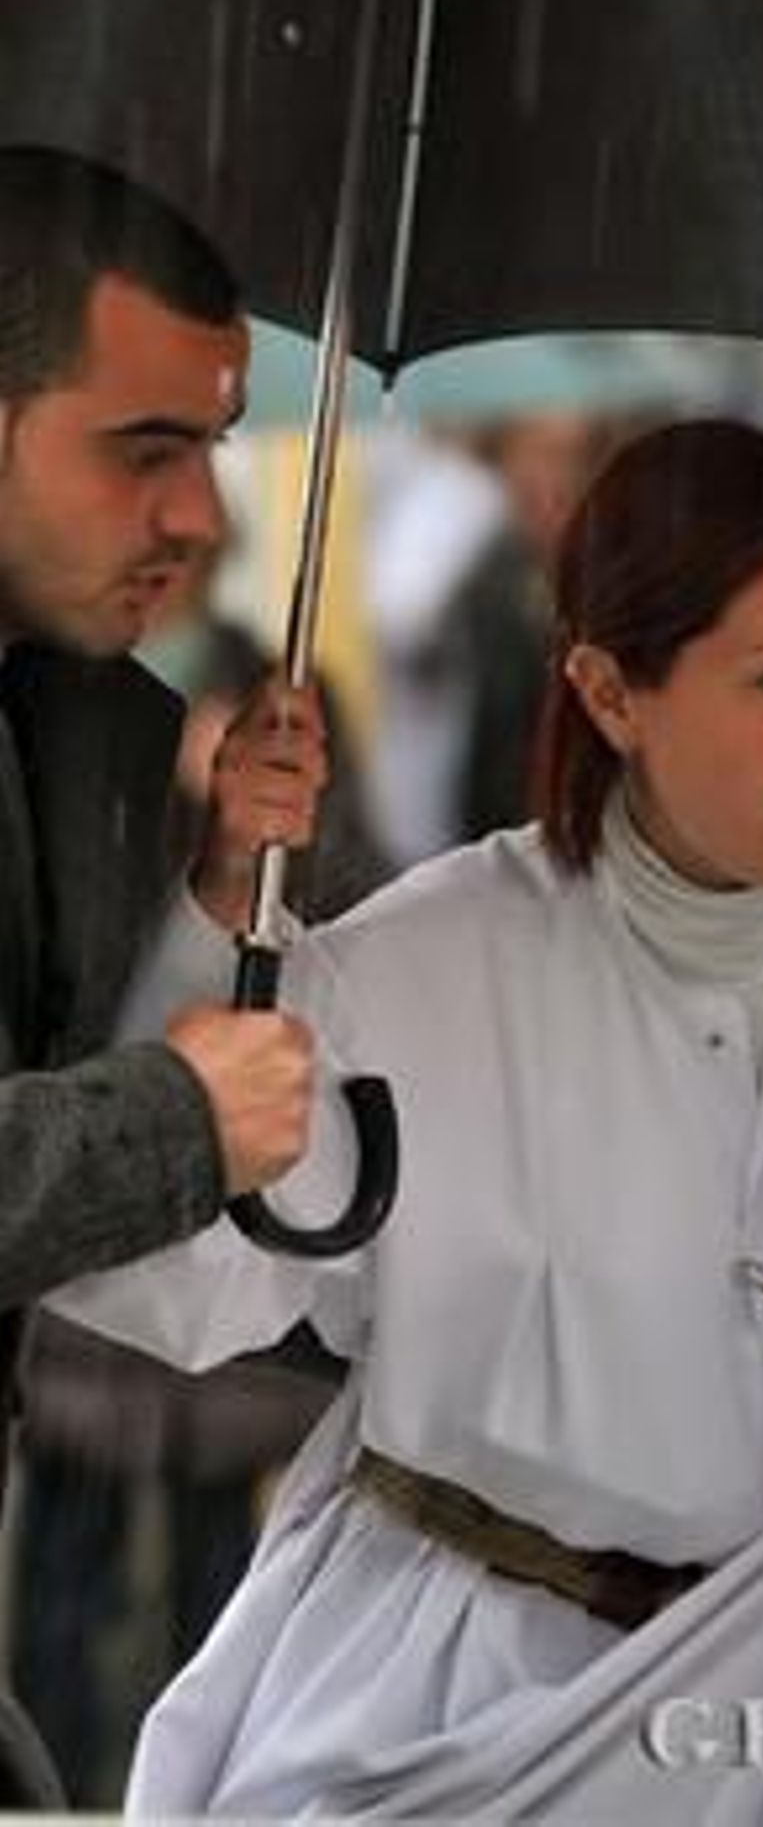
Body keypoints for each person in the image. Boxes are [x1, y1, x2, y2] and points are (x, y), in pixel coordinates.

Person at [50, 417, 763, 1816]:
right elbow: (162, 1289)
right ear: (611, 691)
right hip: (452, 1713)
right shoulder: (425, 966)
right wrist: (223, 915)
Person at [0, 145, 318, 1808]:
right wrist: (176, 1118)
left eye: (209, 448)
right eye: (145, 451)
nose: (198, 517)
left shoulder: (62, 716)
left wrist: (210, 886)